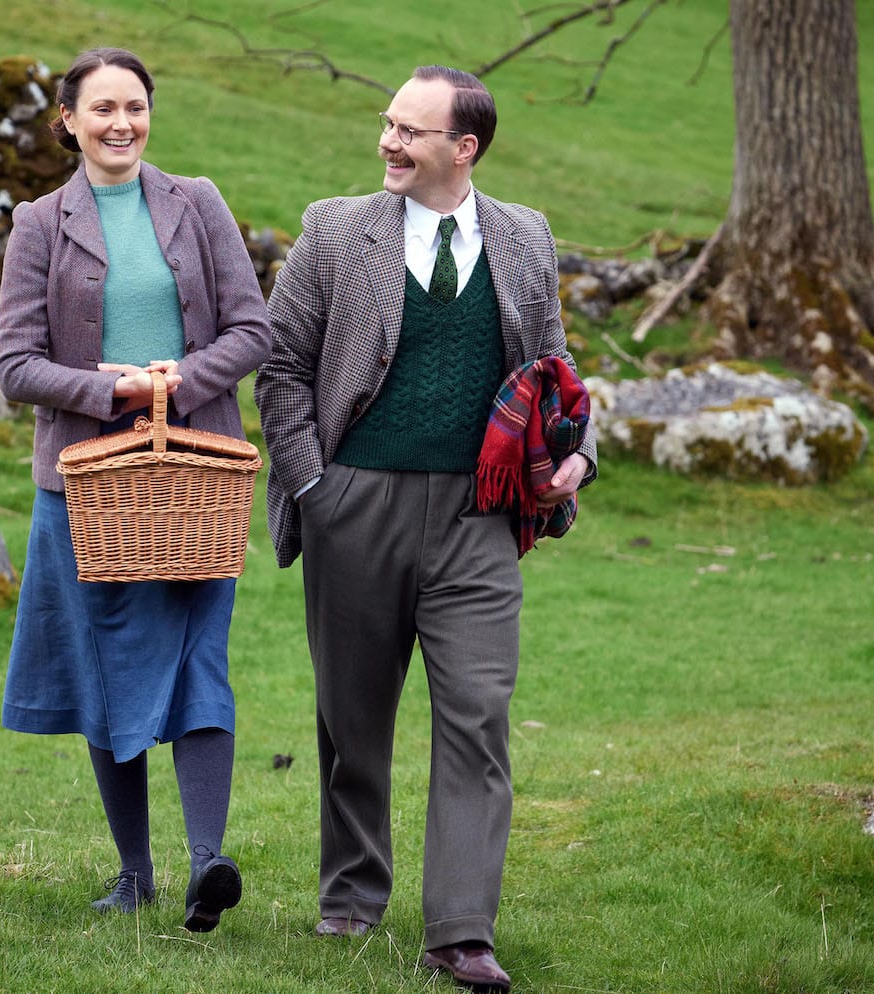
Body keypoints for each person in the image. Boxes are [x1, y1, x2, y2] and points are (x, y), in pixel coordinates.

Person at [254, 65, 596, 991]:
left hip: (479, 520)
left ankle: (459, 930)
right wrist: (316, 490)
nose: (389, 143)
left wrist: (578, 454)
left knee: (478, 717)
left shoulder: (524, 236)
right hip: (354, 503)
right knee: (352, 719)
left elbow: (556, 374)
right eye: (387, 124)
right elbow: (281, 368)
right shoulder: (334, 229)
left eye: (410, 131)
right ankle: (353, 896)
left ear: (464, 147)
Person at [0, 47, 271, 933]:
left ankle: (207, 865)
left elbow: (251, 328)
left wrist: (177, 380)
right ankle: (135, 871)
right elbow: (15, 364)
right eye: (103, 109)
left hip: (197, 475)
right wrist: (107, 391)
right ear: (68, 120)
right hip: (87, 490)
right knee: (106, 677)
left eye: (137, 107)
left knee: (201, 657)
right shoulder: (40, 223)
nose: (123, 124)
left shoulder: (200, 202)